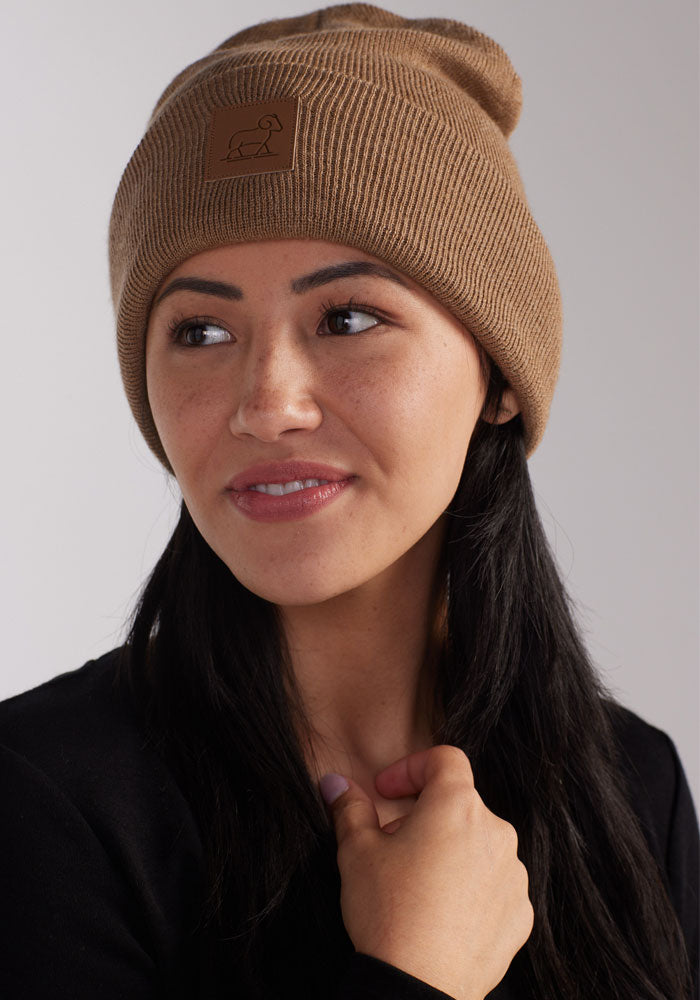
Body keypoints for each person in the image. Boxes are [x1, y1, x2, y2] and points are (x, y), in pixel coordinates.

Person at [0, 4, 697, 999]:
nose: (266, 404)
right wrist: (412, 973)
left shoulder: (632, 790)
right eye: (199, 331)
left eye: (348, 316)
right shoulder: (45, 800)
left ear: (500, 375)